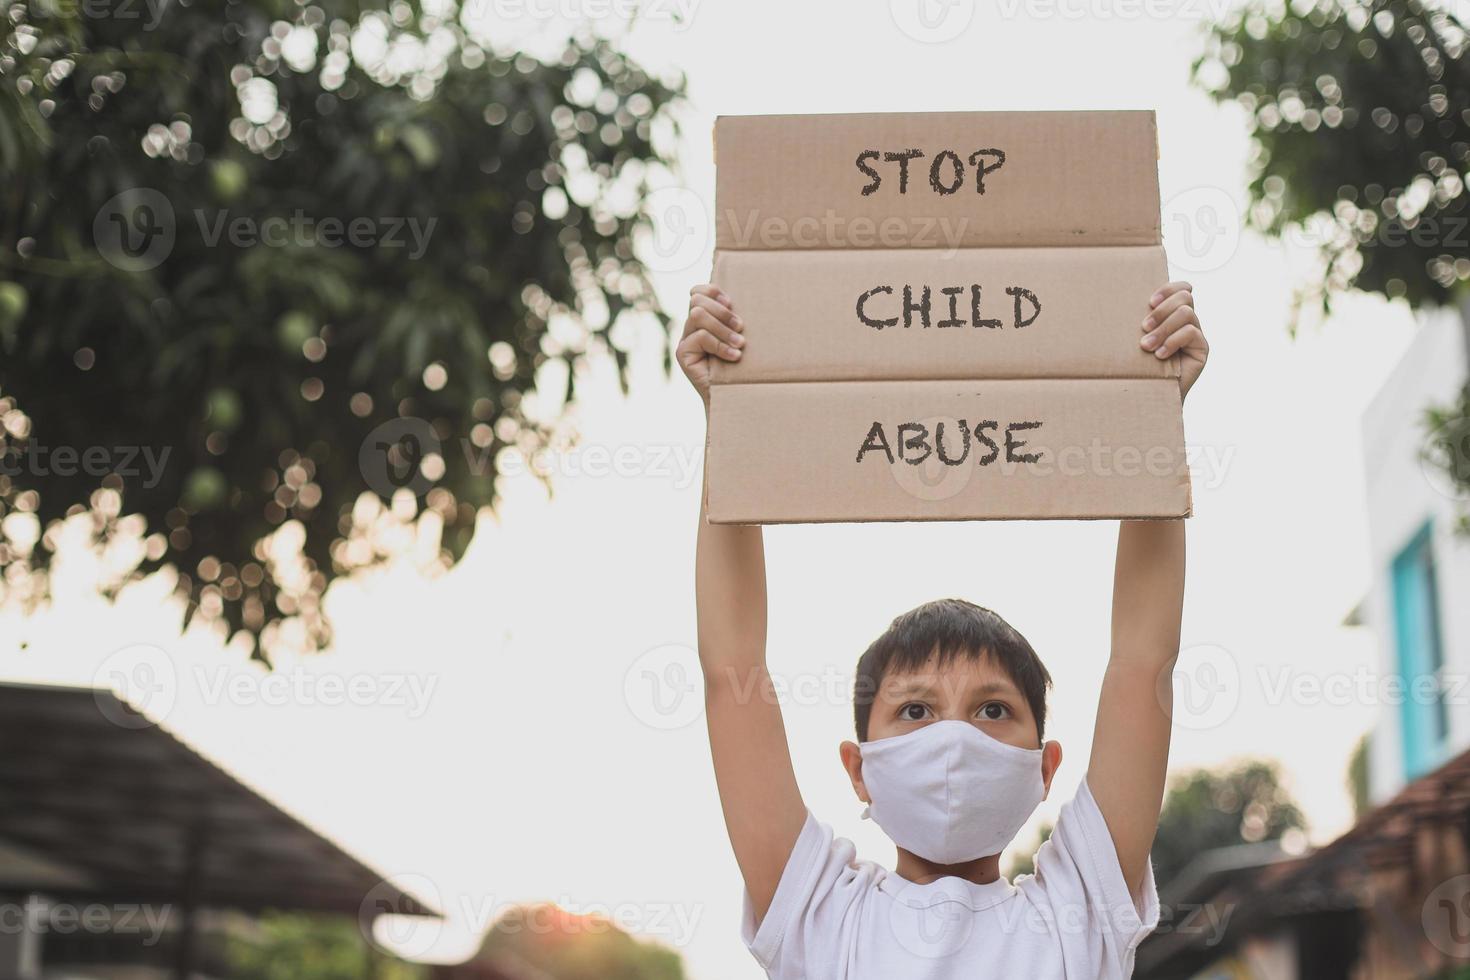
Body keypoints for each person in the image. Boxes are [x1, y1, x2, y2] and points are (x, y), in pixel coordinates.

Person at [675, 280, 1208, 978]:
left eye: (993, 709)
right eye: (915, 710)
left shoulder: (1080, 912)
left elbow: (1144, 662)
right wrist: (731, 416)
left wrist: (1152, 409)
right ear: (858, 767)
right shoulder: (819, 915)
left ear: (1046, 766)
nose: (953, 739)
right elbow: (730, 667)